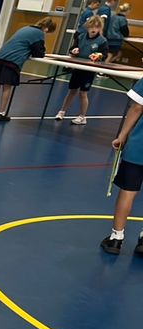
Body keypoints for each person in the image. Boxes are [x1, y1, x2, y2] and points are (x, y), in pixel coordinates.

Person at [100, 77, 143, 255]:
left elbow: (137, 107)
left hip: (139, 146)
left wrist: (122, 135)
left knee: (127, 191)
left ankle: (116, 239)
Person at [0, 17, 56, 121]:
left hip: (1, 57)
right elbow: (39, 53)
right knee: (7, 87)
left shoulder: (25, 28)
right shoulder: (39, 34)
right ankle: (1, 113)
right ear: (47, 29)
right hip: (12, 61)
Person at [55, 16, 108, 125]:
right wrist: (74, 51)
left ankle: (82, 117)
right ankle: (62, 112)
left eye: (97, 27)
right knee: (72, 91)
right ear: (87, 27)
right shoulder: (81, 37)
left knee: (83, 93)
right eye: (92, 27)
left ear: (100, 28)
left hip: (89, 70)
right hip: (78, 68)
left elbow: (104, 54)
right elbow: (72, 48)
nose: (94, 29)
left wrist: (98, 55)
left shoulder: (102, 41)